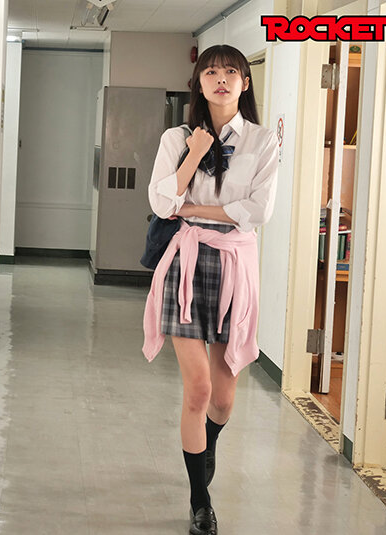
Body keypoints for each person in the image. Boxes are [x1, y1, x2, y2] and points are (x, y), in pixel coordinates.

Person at [142, 44, 278, 535]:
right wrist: (194, 155)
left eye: (231, 72)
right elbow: (162, 203)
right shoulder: (177, 137)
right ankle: (201, 501)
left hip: (235, 267)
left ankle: (208, 446)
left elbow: (258, 211)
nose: (221, 79)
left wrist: (194, 209)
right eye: (212, 72)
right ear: (199, 82)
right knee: (198, 390)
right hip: (186, 263)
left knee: (223, 398)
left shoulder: (263, 140)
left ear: (245, 82)